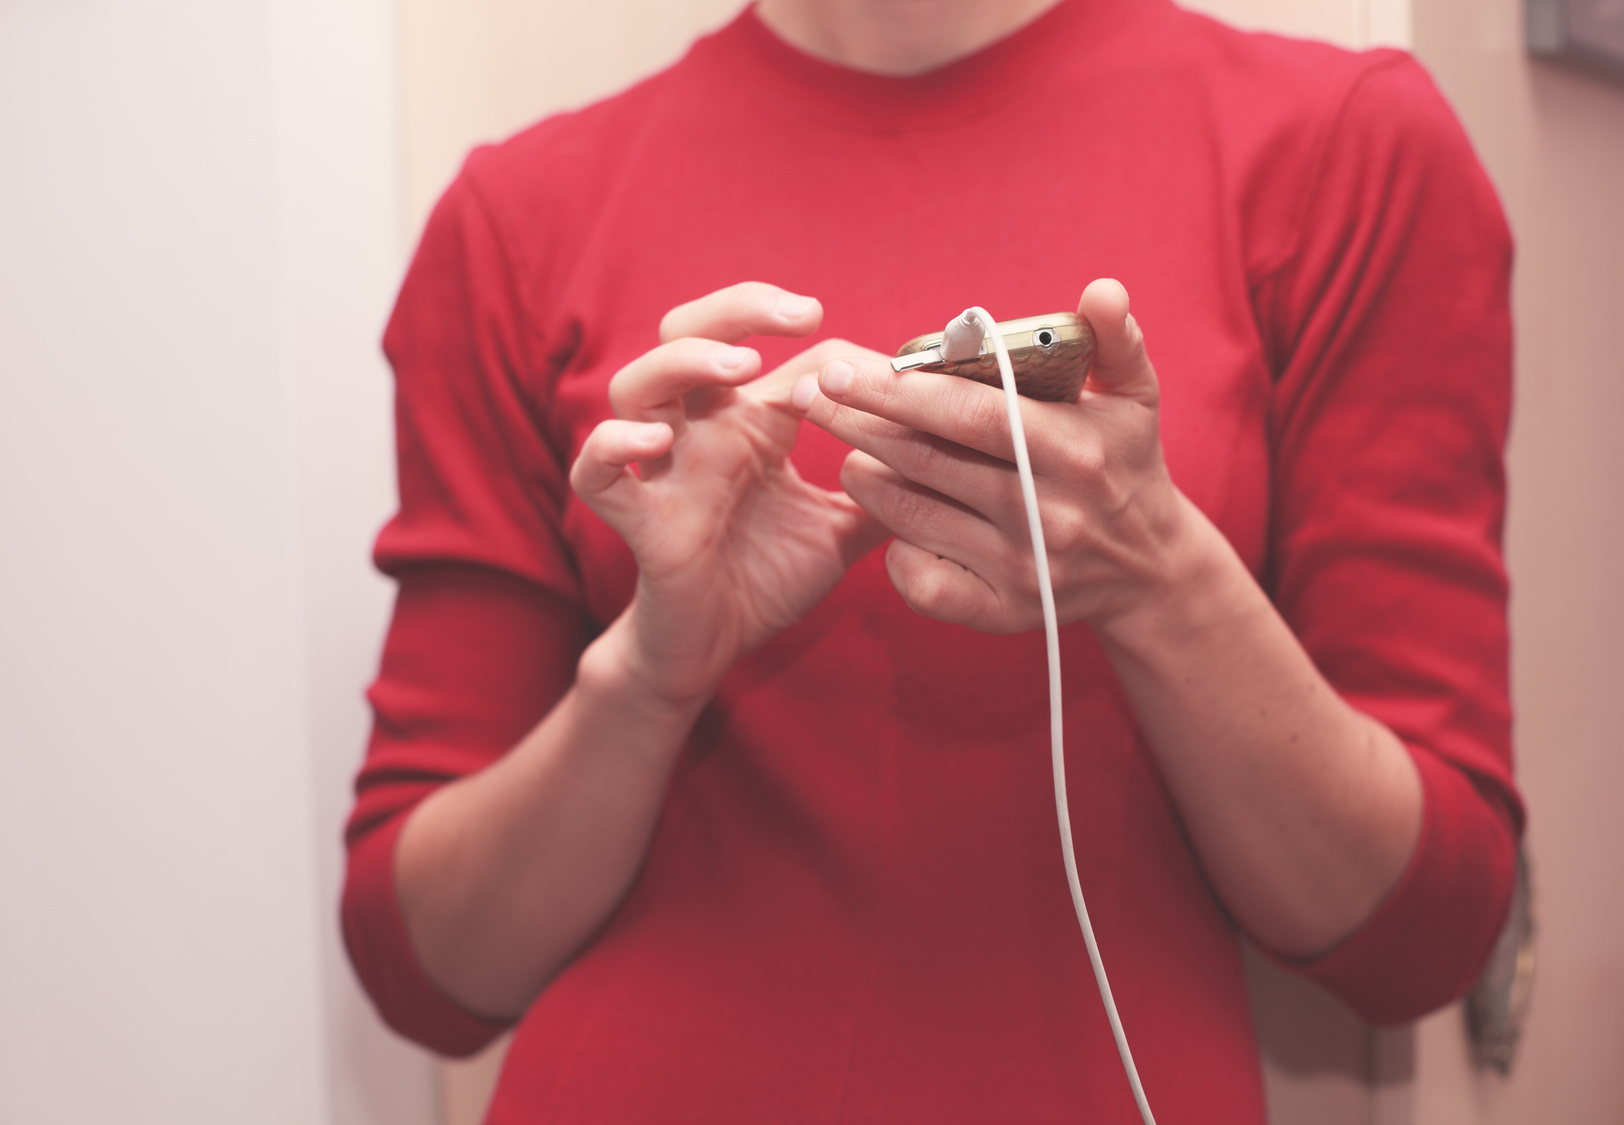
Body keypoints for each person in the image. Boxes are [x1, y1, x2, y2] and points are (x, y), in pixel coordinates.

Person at [342, 0, 1522, 1119]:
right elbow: (425, 965)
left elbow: (1428, 928)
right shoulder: (519, 214)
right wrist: (651, 674)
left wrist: (1152, 575)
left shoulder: (1341, 150)